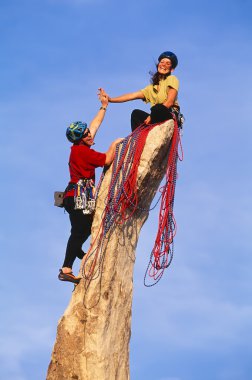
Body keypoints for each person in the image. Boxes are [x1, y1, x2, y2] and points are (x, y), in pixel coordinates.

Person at [59, 94, 123, 284]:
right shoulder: (83, 152)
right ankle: (66, 268)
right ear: (81, 138)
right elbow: (107, 159)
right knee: (79, 231)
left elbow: (94, 126)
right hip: (79, 195)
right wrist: (117, 142)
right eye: (86, 134)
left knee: (85, 228)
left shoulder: (78, 147)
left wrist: (104, 107)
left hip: (75, 195)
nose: (90, 134)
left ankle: (79, 252)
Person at [99, 51, 180, 131]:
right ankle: (136, 140)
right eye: (162, 62)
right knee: (136, 114)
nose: (164, 65)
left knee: (157, 107)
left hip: (167, 113)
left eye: (168, 63)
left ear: (171, 69)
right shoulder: (151, 88)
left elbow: (169, 102)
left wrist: (152, 116)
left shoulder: (172, 79)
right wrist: (110, 99)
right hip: (156, 115)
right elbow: (132, 95)